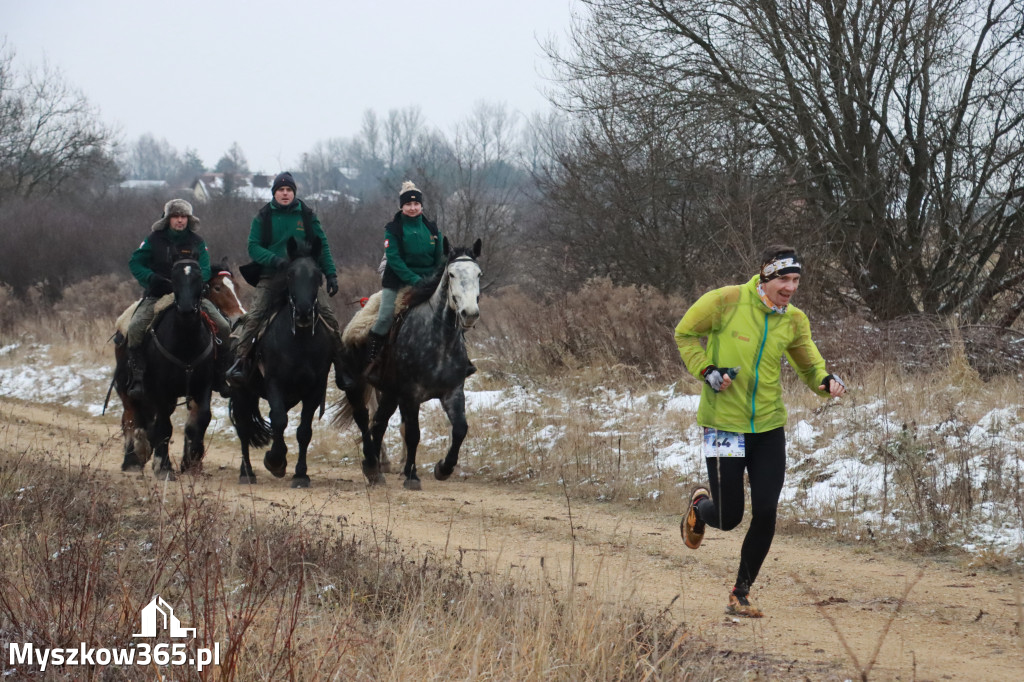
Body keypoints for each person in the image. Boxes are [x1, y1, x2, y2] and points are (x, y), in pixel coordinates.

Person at [674, 245, 846, 618]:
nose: (790, 288)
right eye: (783, 279)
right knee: (730, 516)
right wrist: (707, 370)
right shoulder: (727, 300)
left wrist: (825, 379)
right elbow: (685, 333)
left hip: (768, 426)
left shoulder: (794, 319)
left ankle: (741, 592)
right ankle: (700, 510)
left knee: (766, 510)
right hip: (724, 424)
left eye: (796, 280)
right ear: (765, 278)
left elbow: (807, 360)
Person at [225, 171, 346, 387]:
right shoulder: (264, 216)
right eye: (280, 190)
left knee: (328, 316)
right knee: (254, 317)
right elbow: (253, 246)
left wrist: (331, 274)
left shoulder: (307, 216)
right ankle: (241, 362)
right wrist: (275, 260)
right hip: (272, 275)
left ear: (294, 192)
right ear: (274, 193)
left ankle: (341, 365)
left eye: (289, 190)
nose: (285, 194)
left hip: (304, 277)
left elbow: (322, 246)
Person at [126, 199, 232, 401]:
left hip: (191, 295)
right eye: (176, 216)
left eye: (184, 217)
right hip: (158, 294)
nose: (180, 221)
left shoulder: (197, 241)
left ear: (189, 220)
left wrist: (194, 283)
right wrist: (151, 278)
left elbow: (206, 268)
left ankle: (220, 376)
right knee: (135, 328)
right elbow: (135, 263)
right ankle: (138, 377)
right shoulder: (154, 240)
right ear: (168, 219)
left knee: (224, 327)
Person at [366, 180, 445, 361]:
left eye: (416, 204)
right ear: (402, 207)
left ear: (421, 206)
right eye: (408, 204)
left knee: (451, 313)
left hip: (429, 280)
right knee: (385, 317)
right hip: (397, 279)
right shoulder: (393, 229)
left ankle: (458, 357)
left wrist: (433, 279)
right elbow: (394, 259)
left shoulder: (432, 229)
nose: (412, 208)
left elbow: (440, 258)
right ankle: (372, 357)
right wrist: (415, 280)